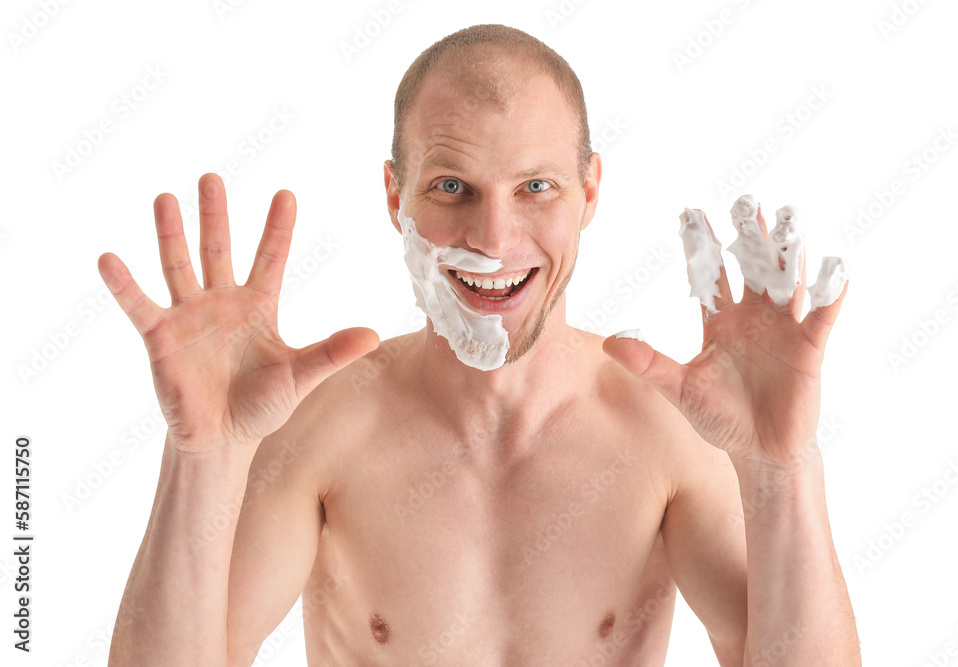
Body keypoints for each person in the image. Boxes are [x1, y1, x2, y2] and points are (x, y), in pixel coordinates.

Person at [102, 23, 860, 667]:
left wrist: (782, 467)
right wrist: (202, 456)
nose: (494, 242)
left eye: (535, 188)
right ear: (395, 195)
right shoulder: (323, 427)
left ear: (589, 191)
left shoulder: (663, 429)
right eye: (452, 188)